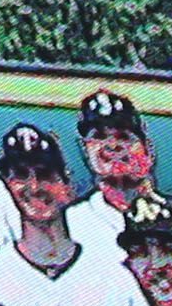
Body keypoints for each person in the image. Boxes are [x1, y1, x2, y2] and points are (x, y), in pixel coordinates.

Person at [0, 124, 141, 306]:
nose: (35, 187)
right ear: (6, 186)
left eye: (46, 175)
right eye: (21, 175)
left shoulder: (113, 272)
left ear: (68, 186)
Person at [67, 89, 160, 256]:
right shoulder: (70, 223)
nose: (112, 145)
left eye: (123, 136)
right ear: (85, 152)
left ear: (148, 150)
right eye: (99, 137)